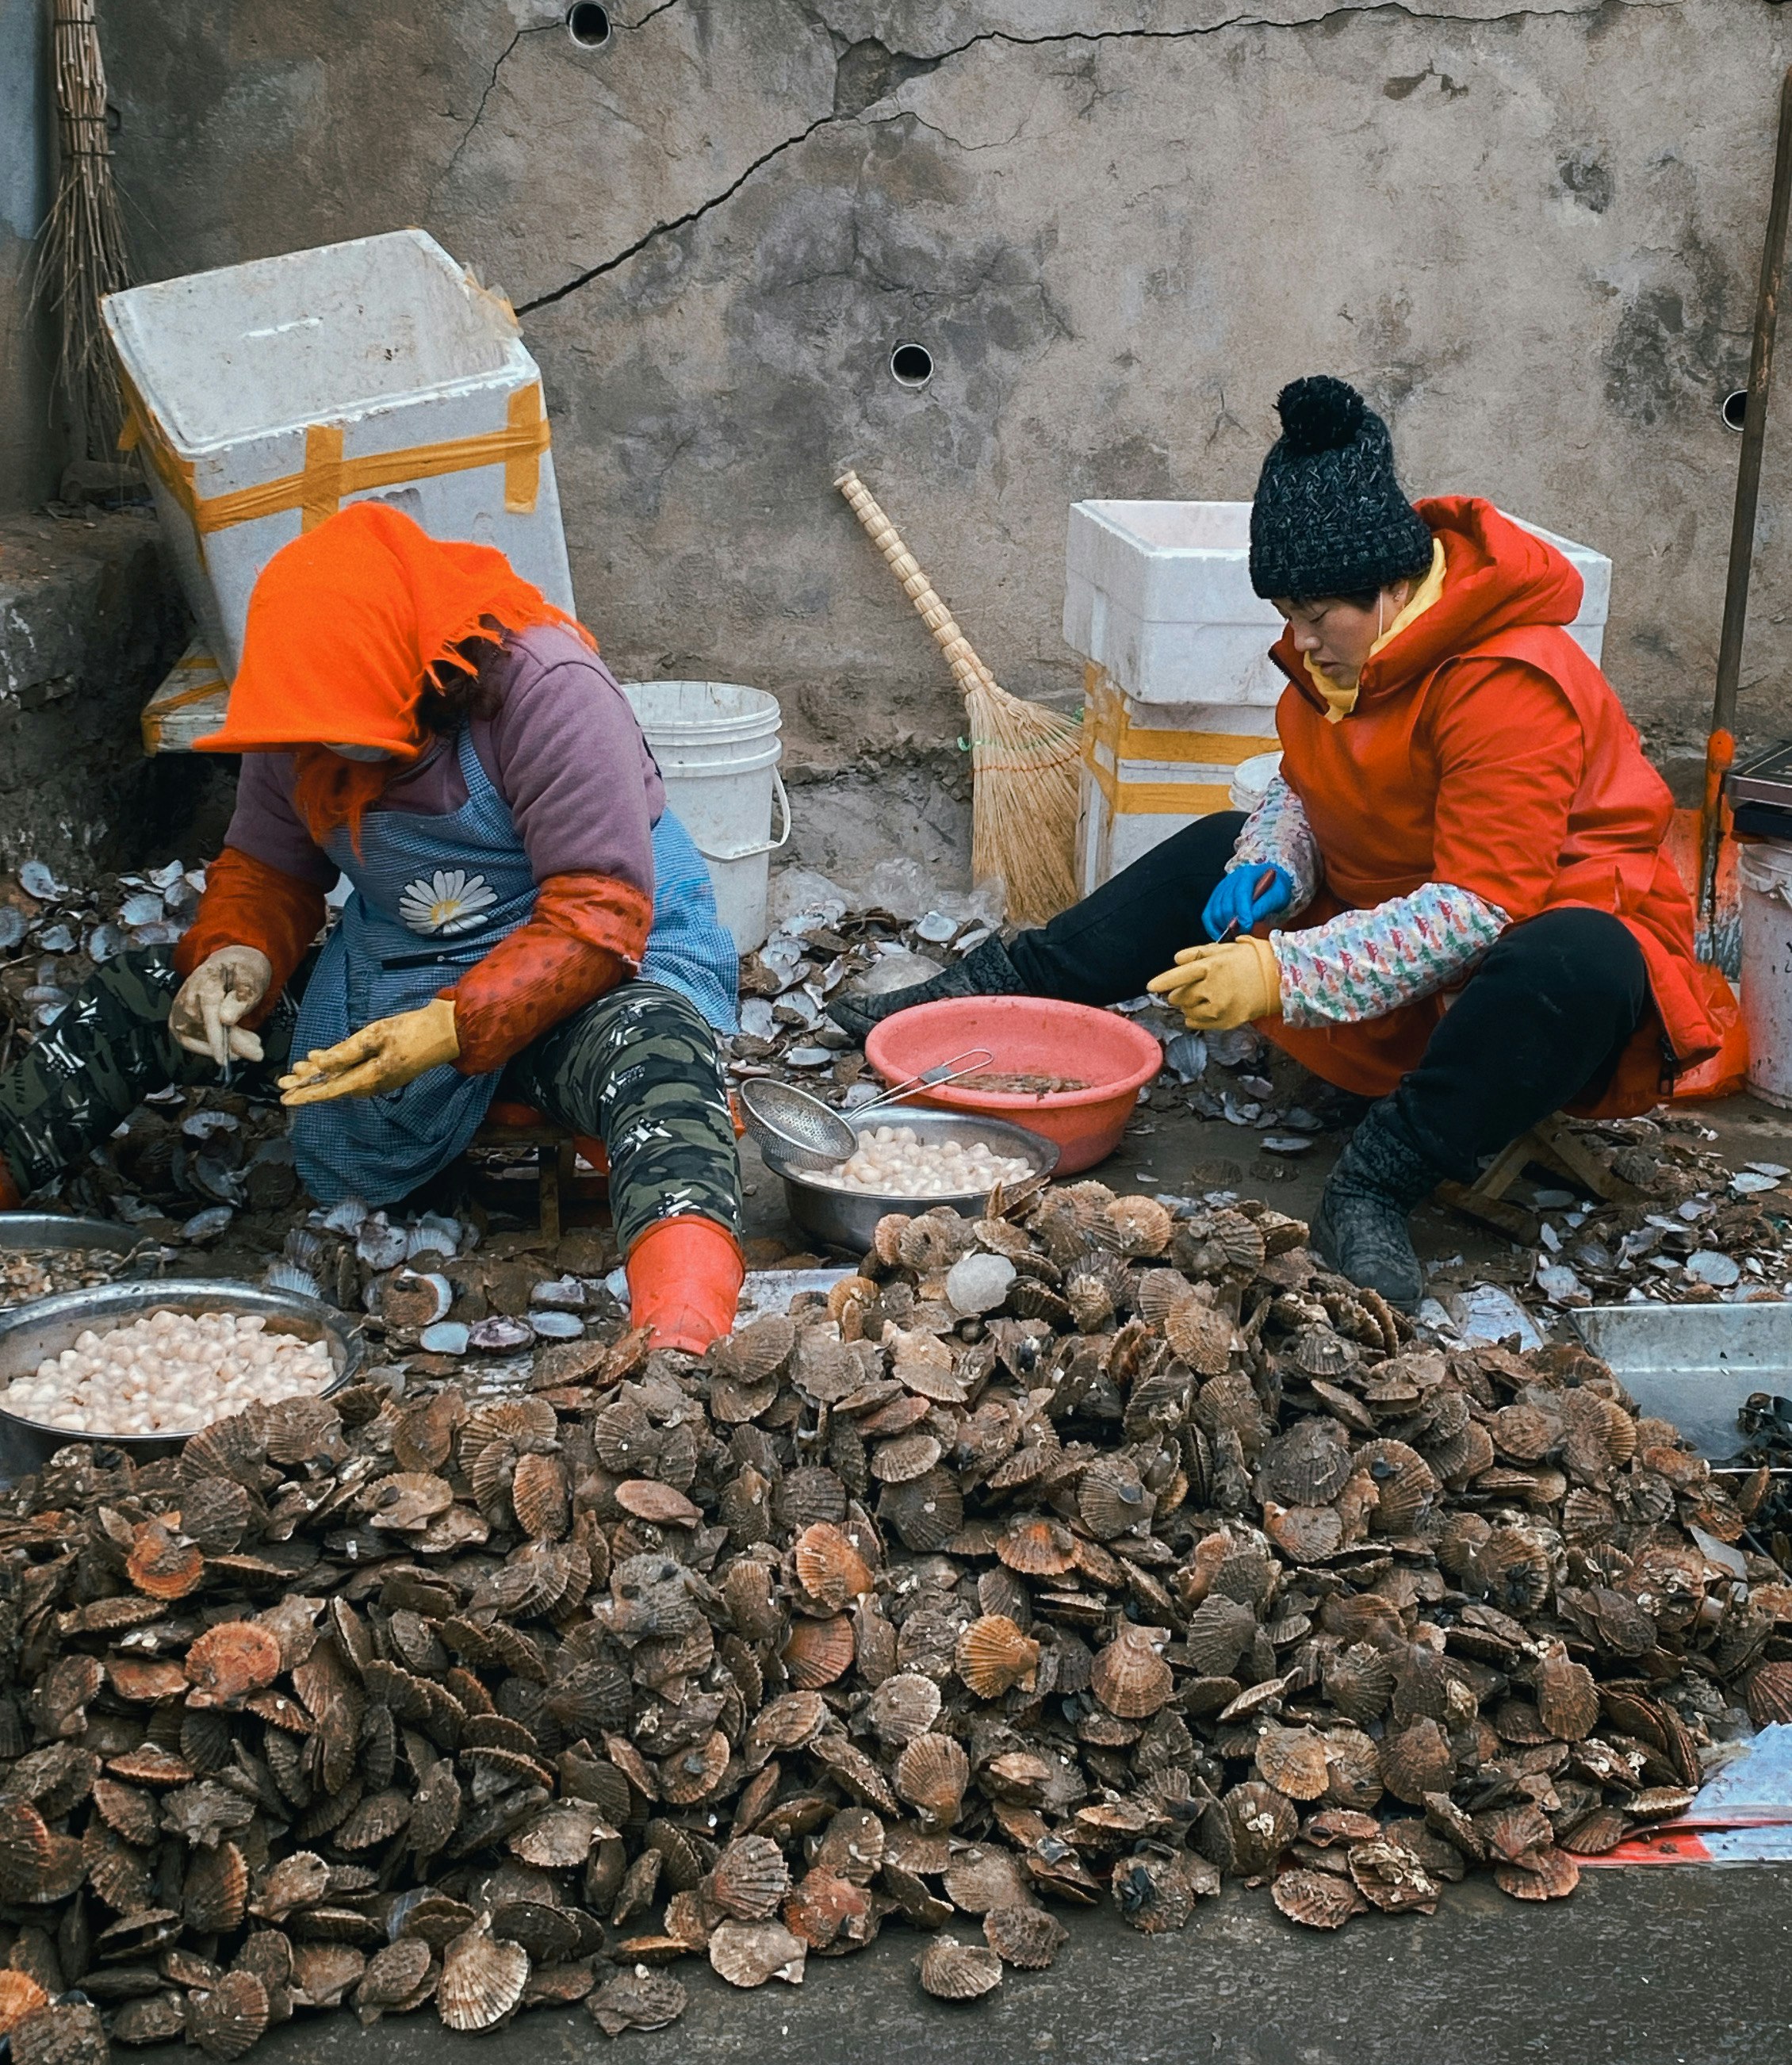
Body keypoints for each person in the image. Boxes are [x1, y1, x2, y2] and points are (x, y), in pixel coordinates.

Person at [835, 377, 1718, 1308]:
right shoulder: (1351, 651)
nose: (1299, 641)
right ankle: (984, 992)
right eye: (1287, 615)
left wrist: (1279, 974)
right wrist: (1272, 860)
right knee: (1220, 838)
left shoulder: (1507, 682)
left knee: (1577, 955)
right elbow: (1304, 781)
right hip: (1402, 912)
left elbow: (1476, 908)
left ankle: (1377, 1183)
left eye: (1315, 617)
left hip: (1531, 970)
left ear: (1388, 588)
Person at [0, 504, 745, 1354]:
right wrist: (235, 956)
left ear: (418, 683)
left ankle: (685, 1323)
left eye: (345, 733)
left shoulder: (547, 690)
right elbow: (267, 868)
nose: (320, 748)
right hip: (398, 965)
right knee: (139, 996)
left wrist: (452, 1026)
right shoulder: (297, 713)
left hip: (589, 968)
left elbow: (597, 909)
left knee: (656, 1050)